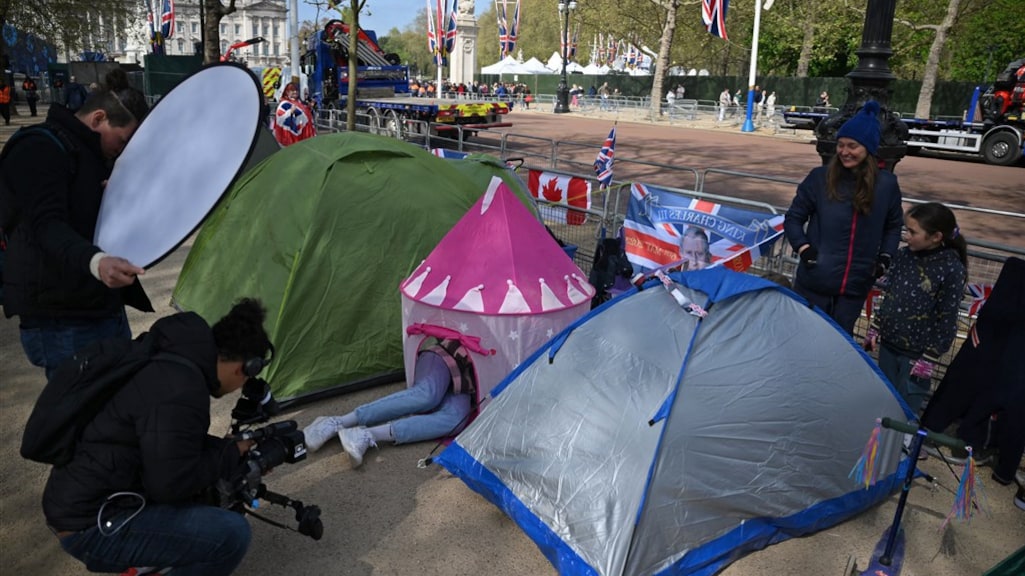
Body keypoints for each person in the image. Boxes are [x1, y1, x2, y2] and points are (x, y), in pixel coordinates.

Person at [42, 297, 274, 575]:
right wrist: (230, 455)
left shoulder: (170, 356)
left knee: (207, 496)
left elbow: (169, 445)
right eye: (245, 381)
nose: (240, 387)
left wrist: (224, 450)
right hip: (92, 526)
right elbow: (170, 485)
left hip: (80, 502)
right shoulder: (183, 391)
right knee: (231, 535)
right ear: (243, 369)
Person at [2, 69, 152, 379]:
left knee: (115, 407)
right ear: (98, 118)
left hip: (99, 305)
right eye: (122, 141)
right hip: (61, 319)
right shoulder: (38, 149)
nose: (122, 151)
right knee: (81, 417)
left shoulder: (93, 153)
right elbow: (46, 226)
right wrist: (98, 262)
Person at [783, 101, 904, 334]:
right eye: (840, 145)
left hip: (855, 287)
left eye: (852, 146)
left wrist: (884, 259)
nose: (844, 152)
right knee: (803, 340)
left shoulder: (887, 184)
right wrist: (804, 248)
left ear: (868, 149)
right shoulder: (819, 178)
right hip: (814, 283)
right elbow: (794, 218)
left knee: (838, 348)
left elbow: (893, 225)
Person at [919, 257, 1024, 494]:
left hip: (998, 322)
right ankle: (987, 454)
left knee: (966, 377)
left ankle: (938, 431)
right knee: (1001, 388)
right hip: (1001, 338)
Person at [303, 338, 476, 467]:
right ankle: (336, 422)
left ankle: (368, 435)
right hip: (445, 356)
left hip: (466, 381)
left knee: (455, 419)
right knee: (427, 395)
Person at [863, 202, 967, 413]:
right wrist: (876, 325)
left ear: (936, 237)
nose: (906, 236)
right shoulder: (903, 256)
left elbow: (948, 316)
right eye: (906, 230)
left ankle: (904, 442)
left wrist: (931, 355)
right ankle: (879, 440)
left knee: (906, 407)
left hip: (917, 355)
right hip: (889, 344)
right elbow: (891, 295)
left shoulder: (951, 269)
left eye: (912, 232)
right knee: (885, 399)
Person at [272, 80, 316, 146]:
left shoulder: (299, 102)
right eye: (292, 90)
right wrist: (290, 112)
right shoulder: (284, 103)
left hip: (305, 133)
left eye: (296, 90)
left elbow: (305, 114)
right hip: (292, 137)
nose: (295, 92)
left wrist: (309, 108)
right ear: (287, 92)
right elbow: (280, 118)